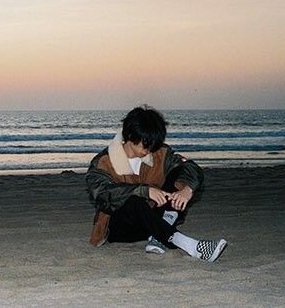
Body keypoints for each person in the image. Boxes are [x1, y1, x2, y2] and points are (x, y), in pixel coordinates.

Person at [85, 105, 227, 262]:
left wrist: (187, 189)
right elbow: (102, 194)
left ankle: (158, 237)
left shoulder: (159, 153)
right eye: (146, 143)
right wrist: (144, 191)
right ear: (131, 135)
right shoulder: (103, 162)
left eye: (153, 143)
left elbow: (192, 168)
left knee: (178, 171)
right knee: (134, 201)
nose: (150, 149)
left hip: (155, 220)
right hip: (121, 228)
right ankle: (189, 245)